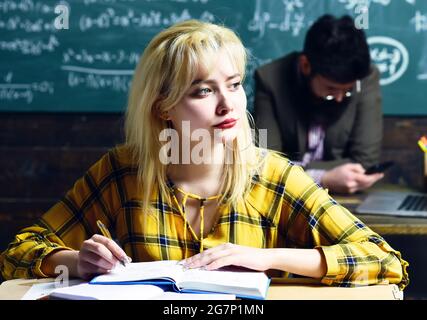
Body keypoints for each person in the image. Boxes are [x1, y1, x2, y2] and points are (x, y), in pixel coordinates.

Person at [0, 20, 408, 289]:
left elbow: (385, 261)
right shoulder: (122, 171)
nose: (228, 105)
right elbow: (17, 253)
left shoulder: (273, 176)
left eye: (233, 84)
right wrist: (75, 260)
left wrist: (263, 258)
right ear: (163, 107)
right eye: (203, 91)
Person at [254, 14, 384, 195]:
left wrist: (297, 167)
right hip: (285, 198)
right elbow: (266, 162)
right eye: (331, 88)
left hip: (346, 200)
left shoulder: (365, 77)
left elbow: (364, 161)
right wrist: (321, 177)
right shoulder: (270, 79)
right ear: (306, 65)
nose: (340, 98)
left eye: (348, 90)